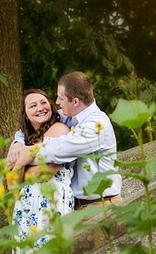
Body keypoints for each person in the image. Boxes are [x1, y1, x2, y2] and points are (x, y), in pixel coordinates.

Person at [7, 71, 122, 207]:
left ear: (75, 101)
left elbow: (55, 151)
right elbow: (33, 123)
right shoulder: (69, 115)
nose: (56, 102)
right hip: (76, 205)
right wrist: (17, 143)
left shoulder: (95, 126)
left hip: (99, 204)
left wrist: (21, 160)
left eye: (60, 98)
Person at [9, 89, 75, 254]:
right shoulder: (23, 140)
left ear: (51, 106)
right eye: (33, 105)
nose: (40, 107)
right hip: (25, 209)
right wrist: (22, 162)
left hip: (52, 205)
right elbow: (12, 185)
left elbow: (46, 172)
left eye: (43, 102)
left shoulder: (59, 130)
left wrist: (22, 162)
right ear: (25, 114)